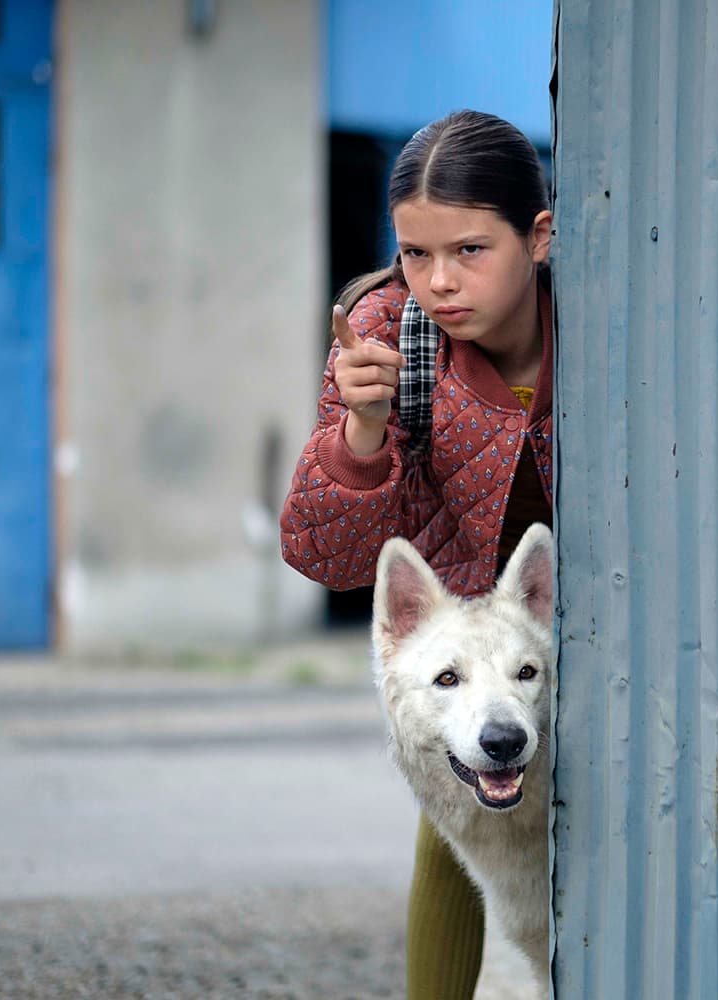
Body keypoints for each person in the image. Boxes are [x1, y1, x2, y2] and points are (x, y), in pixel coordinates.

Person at [280, 109, 554, 999]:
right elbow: (330, 557)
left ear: (540, 236)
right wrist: (360, 432)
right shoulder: (386, 334)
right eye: (415, 253)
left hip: (575, 599)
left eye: (471, 250)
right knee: (466, 808)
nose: (438, 282)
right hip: (465, 607)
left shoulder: (612, 326)